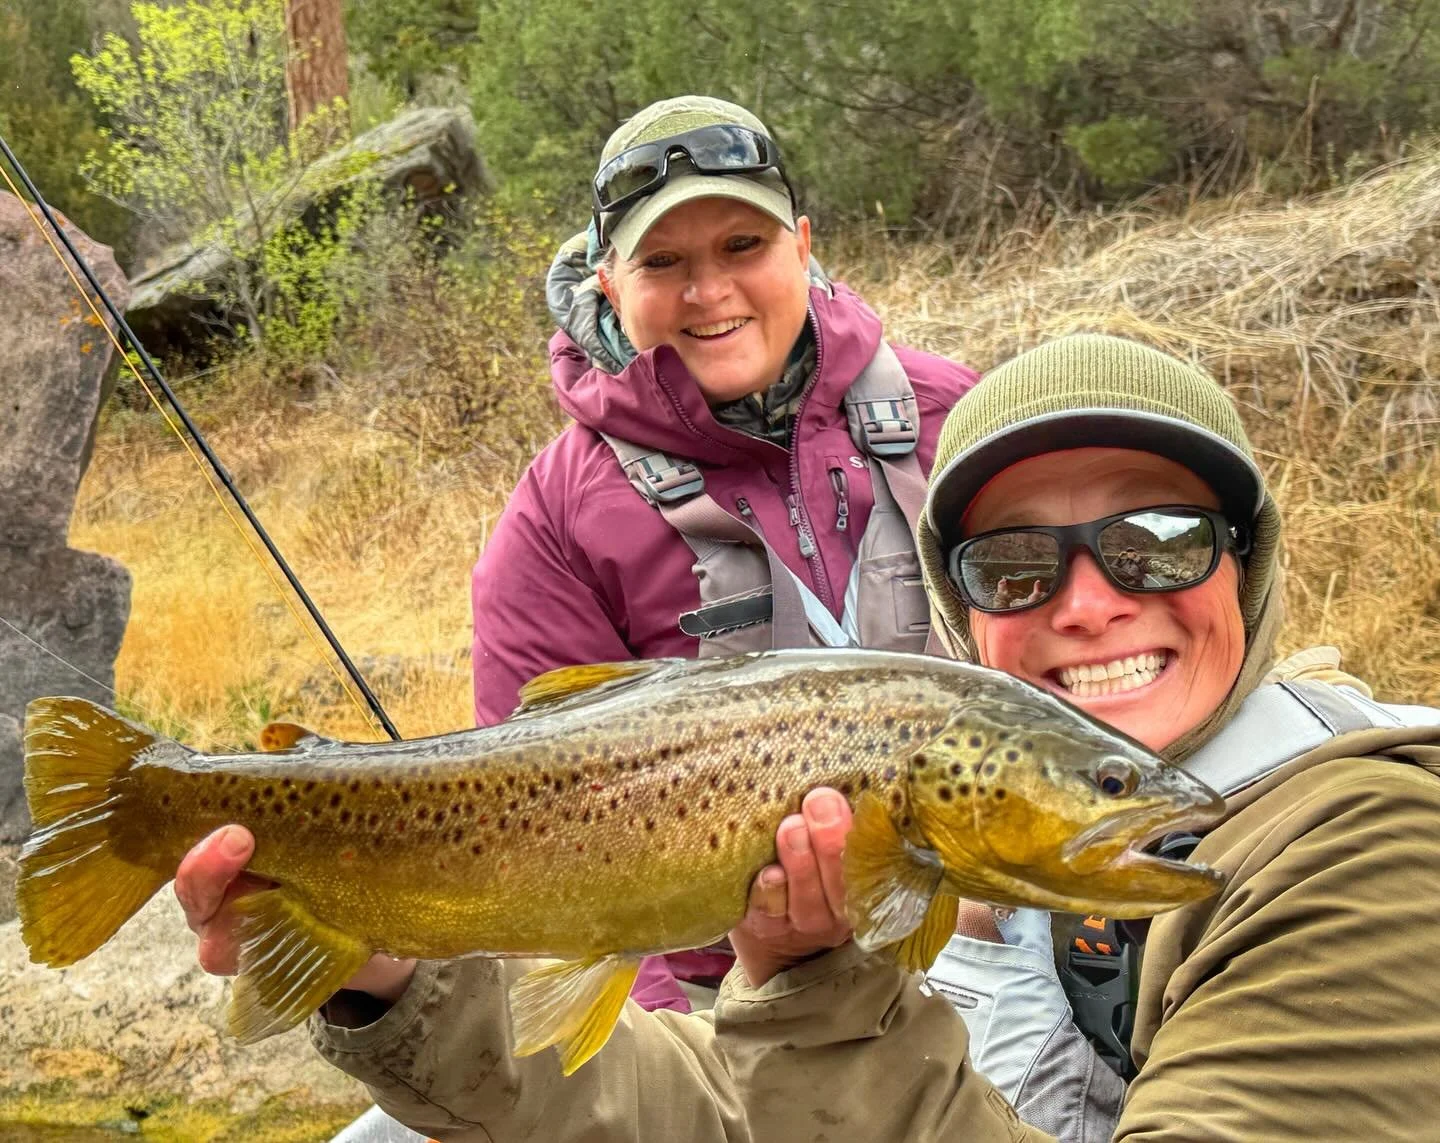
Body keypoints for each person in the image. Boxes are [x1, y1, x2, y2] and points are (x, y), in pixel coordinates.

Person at [176, 334, 1440, 1140]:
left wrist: (832, 1005)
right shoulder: (963, 859)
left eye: (1156, 540)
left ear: (1251, 565)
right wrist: (390, 974)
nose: (1090, 599)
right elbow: (739, 1106)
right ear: (961, 615)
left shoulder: (1369, 850)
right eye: (1010, 563)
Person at [467, 94, 978, 1008]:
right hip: (726, 999)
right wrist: (691, 1062)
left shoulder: (960, 417)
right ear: (609, 284)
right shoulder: (555, 517)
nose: (710, 293)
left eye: (744, 247)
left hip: (983, 947)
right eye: (665, 262)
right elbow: (532, 835)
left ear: (804, 245)